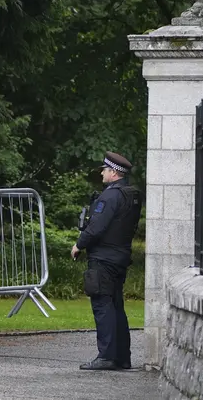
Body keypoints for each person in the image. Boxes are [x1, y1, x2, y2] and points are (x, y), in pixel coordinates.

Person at [71, 151, 142, 370]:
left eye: (104, 170)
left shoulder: (110, 196)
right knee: (116, 306)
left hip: (104, 258)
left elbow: (97, 227)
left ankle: (107, 356)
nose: (102, 173)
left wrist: (78, 245)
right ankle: (122, 357)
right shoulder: (131, 194)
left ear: (113, 172)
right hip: (119, 257)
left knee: (103, 305)